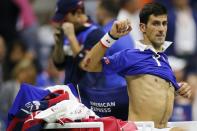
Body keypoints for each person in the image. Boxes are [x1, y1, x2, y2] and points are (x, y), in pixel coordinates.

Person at [81, 3, 192, 129]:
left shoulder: (164, 60)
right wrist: (111, 37)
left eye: (164, 23)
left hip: (163, 128)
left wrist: (178, 89)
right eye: (156, 23)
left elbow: (153, 92)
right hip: (140, 128)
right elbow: (88, 65)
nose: (161, 29)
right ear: (143, 27)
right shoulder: (130, 56)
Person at [51, 0, 106, 88]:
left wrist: (72, 37)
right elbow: (59, 65)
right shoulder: (69, 32)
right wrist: (58, 43)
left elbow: (86, 63)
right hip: (71, 92)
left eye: (64, 18)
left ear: (78, 13)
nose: (61, 23)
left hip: (91, 94)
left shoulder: (95, 33)